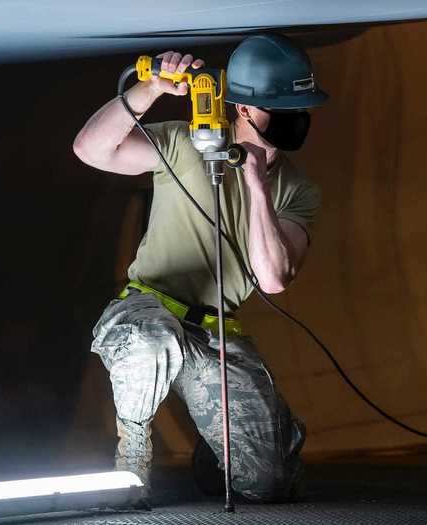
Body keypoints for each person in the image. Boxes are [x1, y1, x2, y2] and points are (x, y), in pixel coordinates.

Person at [72, 34, 328, 503]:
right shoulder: (186, 141)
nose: (298, 120)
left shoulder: (297, 191)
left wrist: (254, 182)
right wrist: (148, 90)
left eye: (301, 107)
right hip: (149, 309)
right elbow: (91, 150)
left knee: (268, 484)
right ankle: (132, 458)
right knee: (148, 343)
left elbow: (273, 277)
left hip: (216, 334)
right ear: (245, 110)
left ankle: (219, 454)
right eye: (284, 108)